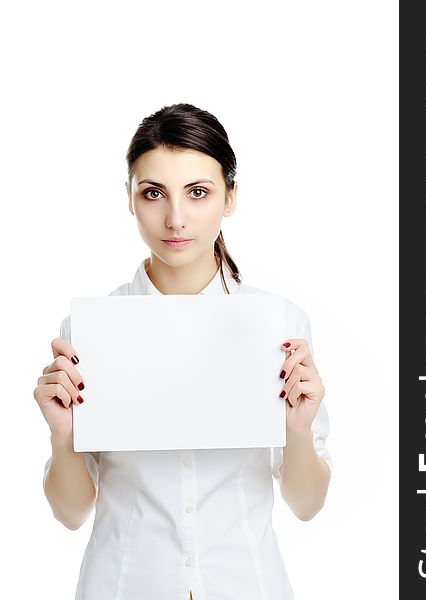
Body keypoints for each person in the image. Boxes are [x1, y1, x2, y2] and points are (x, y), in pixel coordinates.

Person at [35, 103, 332, 600]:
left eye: (198, 192)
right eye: (153, 193)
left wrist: (297, 431)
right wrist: (63, 437)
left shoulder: (279, 325)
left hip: (246, 585)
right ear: (130, 199)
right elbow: (70, 514)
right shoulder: (90, 330)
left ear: (230, 196)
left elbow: (306, 504)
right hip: (123, 586)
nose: (175, 218)